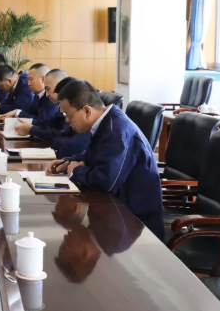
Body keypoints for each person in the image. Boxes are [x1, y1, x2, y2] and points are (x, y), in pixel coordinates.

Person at [47, 80, 164, 239]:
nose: (67, 121)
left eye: (69, 115)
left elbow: (106, 180)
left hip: (136, 224)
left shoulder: (117, 130)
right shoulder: (105, 123)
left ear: (87, 110)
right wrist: (68, 162)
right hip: (116, 212)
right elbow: (92, 155)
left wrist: (76, 171)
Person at [13, 72, 90, 158]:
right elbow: (48, 125)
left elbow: (70, 147)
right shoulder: (63, 109)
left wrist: (33, 129)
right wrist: (32, 129)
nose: (46, 94)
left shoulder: (81, 112)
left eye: (48, 89)